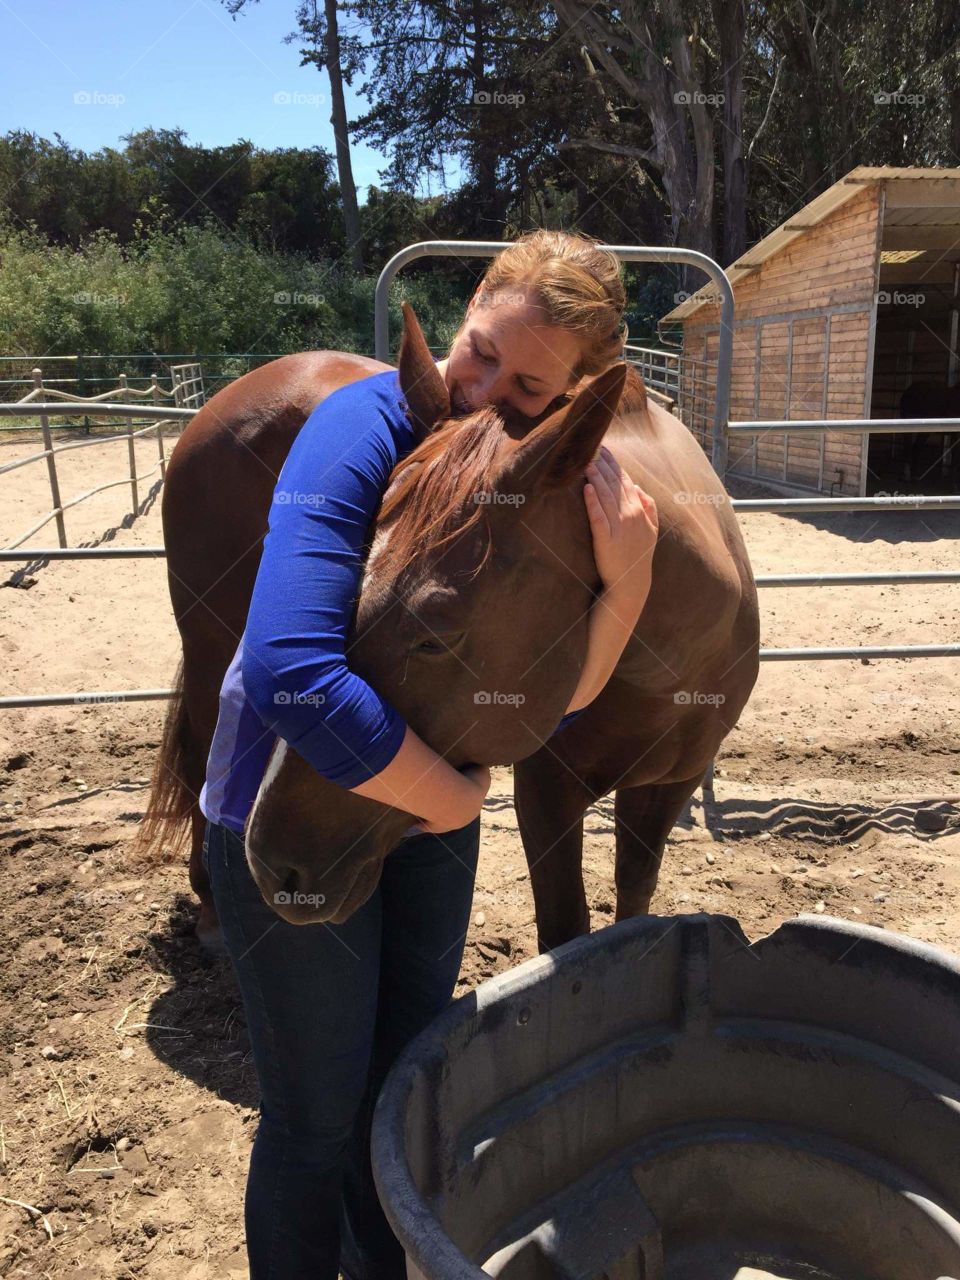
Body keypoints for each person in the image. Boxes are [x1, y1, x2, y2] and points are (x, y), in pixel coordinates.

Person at [198, 230, 659, 1280]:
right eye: (479, 350)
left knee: (405, 1082)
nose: (483, 390)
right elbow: (292, 673)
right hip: (292, 798)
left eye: (528, 383)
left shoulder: (560, 474)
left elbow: (552, 696)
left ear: (576, 395)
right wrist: (450, 800)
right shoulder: (366, 422)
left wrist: (627, 580)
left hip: (425, 813)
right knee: (313, 1120)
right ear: (466, 309)